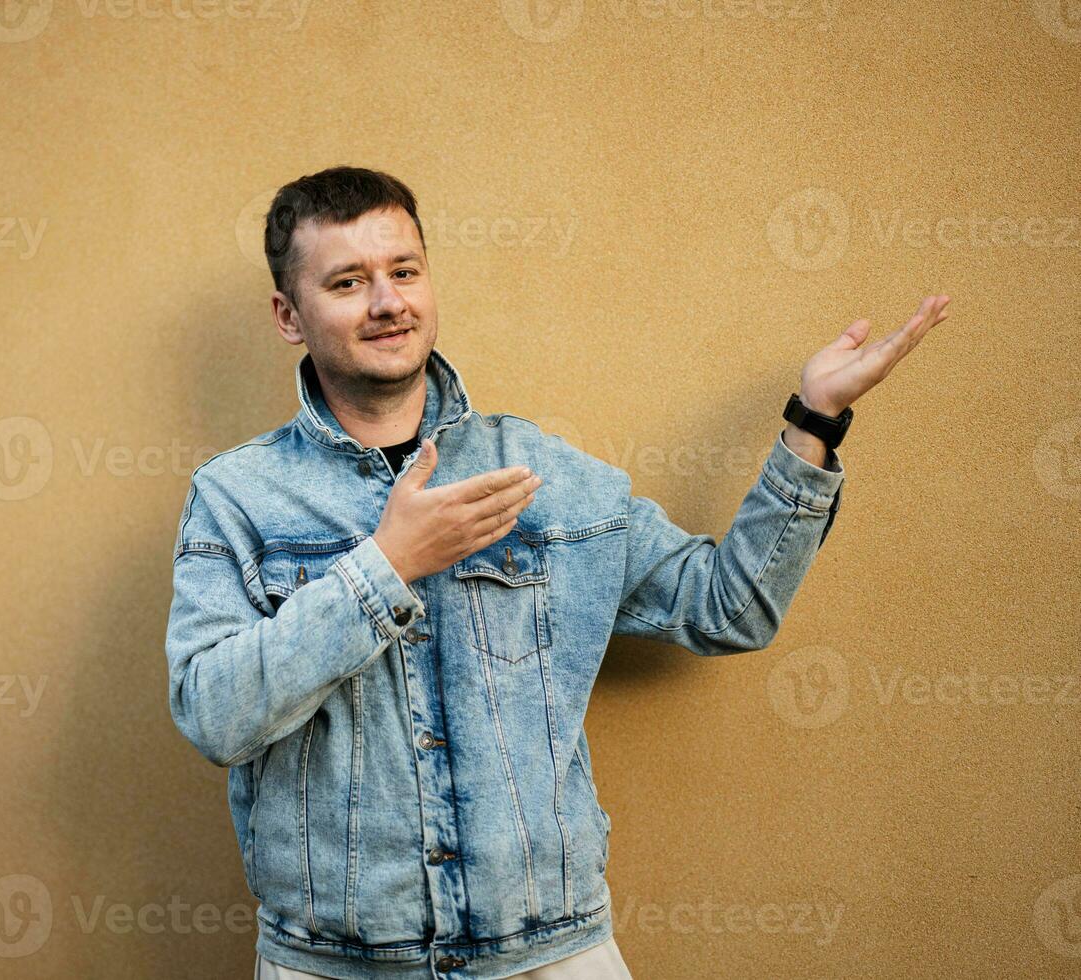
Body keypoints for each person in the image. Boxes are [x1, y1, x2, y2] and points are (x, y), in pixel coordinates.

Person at [165, 166, 949, 978]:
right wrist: (386, 567)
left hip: (551, 953)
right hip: (332, 965)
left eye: (403, 271)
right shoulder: (237, 497)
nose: (387, 301)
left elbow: (731, 607)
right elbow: (214, 715)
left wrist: (813, 422)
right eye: (347, 281)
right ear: (288, 316)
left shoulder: (540, 473)